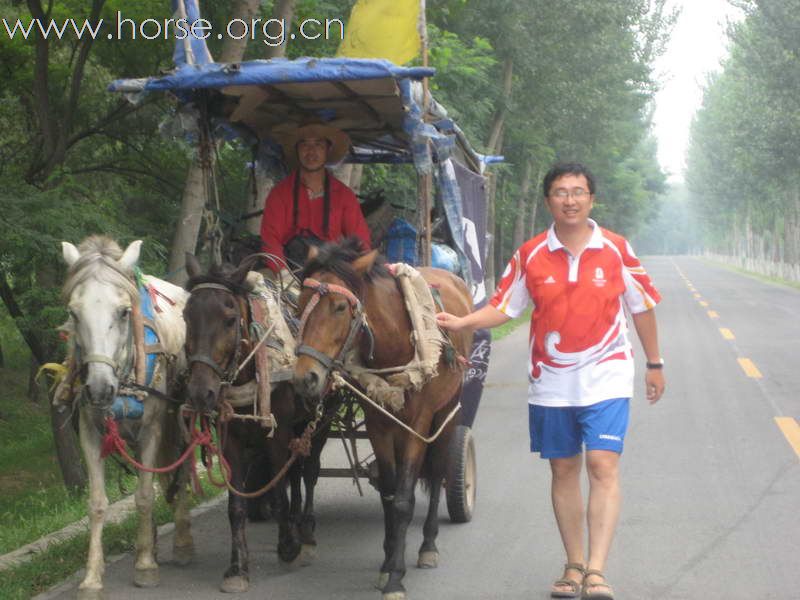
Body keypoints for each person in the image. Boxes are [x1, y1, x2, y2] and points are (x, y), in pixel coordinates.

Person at [436, 162, 665, 599]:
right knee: (563, 468)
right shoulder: (531, 253)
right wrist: (463, 319)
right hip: (551, 381)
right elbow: (505, 307)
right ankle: (574, 565)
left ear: (591, 199)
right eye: (561, 192)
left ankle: (597, 570)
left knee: (602, 465)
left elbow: (642, 306)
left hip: (608, 376)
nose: (570, 199)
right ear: (548, 202)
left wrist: (654, 363)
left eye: (578, 191)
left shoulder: (616, 249)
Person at [259, 122, 371, 279]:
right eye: (305, 145)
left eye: (318, 145)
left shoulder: (344, 195)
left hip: (331, 274)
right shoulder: (280, 193)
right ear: (297, 150)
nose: (311, 151)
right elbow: (270, 239)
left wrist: (350, 273)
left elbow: (360, 241)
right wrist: (284, 274)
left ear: (327, 150)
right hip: (288, 271)